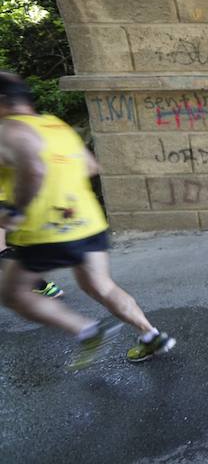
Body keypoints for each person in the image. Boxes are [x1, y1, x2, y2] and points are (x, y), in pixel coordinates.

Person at [0, 72, 175, 369]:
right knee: (100, 285)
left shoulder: (8, 130)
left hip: (46, 229)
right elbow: (92, 166)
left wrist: (16, 209)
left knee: (13, 294)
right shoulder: (55, 125)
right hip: (88, 223)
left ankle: (87, 331)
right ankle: (151, 335)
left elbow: (34, 170)